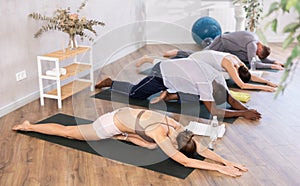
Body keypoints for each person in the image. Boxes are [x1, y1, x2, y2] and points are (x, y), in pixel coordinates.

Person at [12, 107, 248, 177]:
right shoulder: (160, 134)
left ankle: (127, 136)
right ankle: (29, 126)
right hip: (109, 123)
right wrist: (219, 168)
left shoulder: (178, 128)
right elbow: (185, 162)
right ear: (174, 143)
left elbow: (200, 149)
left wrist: (228, 161)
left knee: (147, 144)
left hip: (128, 117)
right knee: (68, 132)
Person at [96, 58, 262, 120]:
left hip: (181, 75)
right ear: (212, 92)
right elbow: (214, 112)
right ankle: (110, 82)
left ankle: (169, 95)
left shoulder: (219, 79)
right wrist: (242, 113)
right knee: (135, 94)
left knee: (198, 100)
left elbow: (231, 99)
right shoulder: (205, 85)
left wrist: (248, 110)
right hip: (162, 73)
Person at [137, 50, 278, 92]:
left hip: (205, 56)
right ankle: (147, 59)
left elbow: (250, 76)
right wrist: (264, 88)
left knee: (176, 62)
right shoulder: (230, 65)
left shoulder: (239, 63)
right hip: (197, 59)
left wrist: (268, 82)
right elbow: (242, 85)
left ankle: (172, 55)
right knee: (171, 68)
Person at [163, 31, 284, 70]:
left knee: (245, 59)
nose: (256, 54)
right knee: (201, 55)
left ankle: (180, 52)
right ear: (260, 47)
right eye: (257, 53)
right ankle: (178, 52)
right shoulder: (252, 44)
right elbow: (254, 63)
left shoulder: (256, 40)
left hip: (228, 46)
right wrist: (271, 67)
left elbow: (259, 59)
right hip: (221, 42)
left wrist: (273, 62)